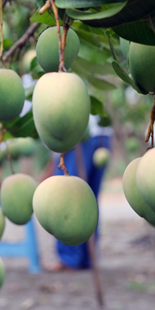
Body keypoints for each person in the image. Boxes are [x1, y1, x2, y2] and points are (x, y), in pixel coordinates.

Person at [46, 115, 112, 271]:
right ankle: (88, 258)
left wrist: (54, 157)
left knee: (67, 198)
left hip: (77, 135)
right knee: (88, 198)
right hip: (103, 136)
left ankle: (69, 259)